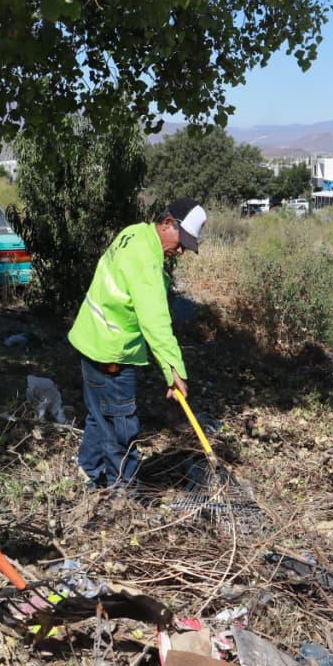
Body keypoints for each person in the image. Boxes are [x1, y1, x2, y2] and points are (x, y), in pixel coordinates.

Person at [67, 198, 207, 489]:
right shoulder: (146, 260)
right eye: (182, 242)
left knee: (100, 413)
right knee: (121, 423)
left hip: (90, 338)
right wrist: (173, 369)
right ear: (167, 223)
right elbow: (155, 321)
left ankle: (90, 471)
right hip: (113, 352)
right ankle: (123, 488)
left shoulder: (134, 232)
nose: (181, 251)